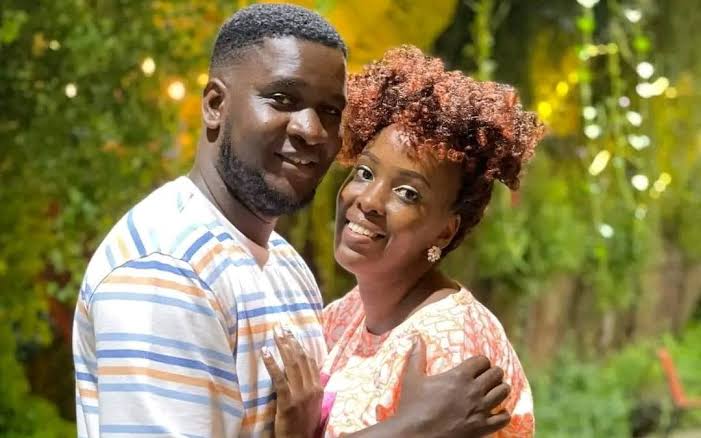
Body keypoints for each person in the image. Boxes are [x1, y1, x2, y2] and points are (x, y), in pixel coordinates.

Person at [73, 4, 511, 437]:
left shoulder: (286, 268)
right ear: (215, 104)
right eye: (283, 99)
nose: (311, 130)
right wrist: (414, 429)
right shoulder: (166, 271)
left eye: (330, 111)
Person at [264, 46, 545, 437]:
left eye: (408, 193)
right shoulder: (344, 316)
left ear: (445, 231)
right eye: (365, 173)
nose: (369, 200)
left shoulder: (451, 342)